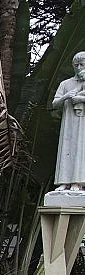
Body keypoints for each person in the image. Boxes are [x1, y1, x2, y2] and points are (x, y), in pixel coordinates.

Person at [52, 51, 85, 191]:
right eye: (76, 65)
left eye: (82, 64)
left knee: (81, 150)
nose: (78, 67)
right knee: (67, 149)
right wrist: (65, 97)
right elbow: (54, 104)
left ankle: (78, 182)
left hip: (83, 124)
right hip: (69, 124)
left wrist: (81, 99)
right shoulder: (65, 83)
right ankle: (64, 182)